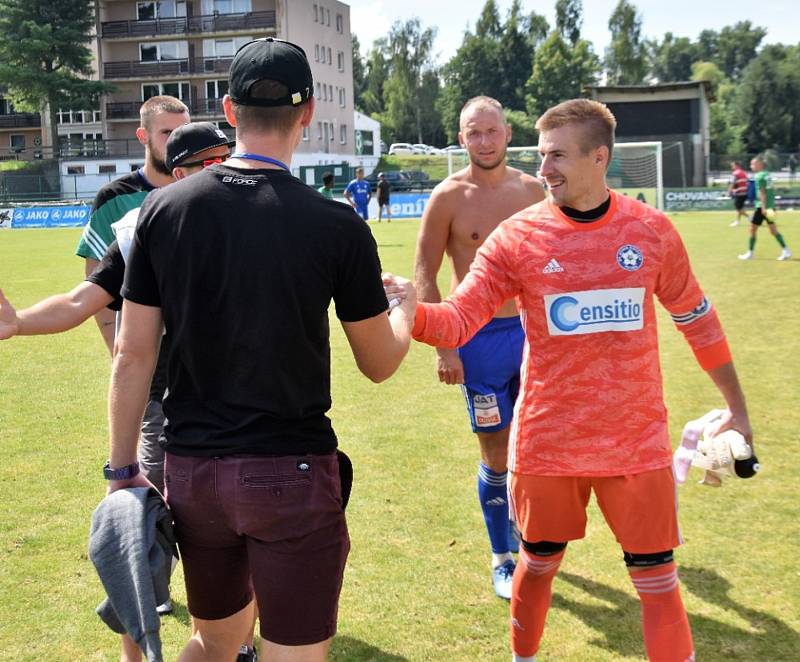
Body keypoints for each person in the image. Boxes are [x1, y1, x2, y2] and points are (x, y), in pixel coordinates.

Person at [404, 98, 752, 662]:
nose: (544, 170)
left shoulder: (651, 230)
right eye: (541, 157)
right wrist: (404, 311)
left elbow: (698, 319)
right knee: (537, 567)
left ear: (600, 157)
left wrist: (737, 408)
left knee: (658, 582)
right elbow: (460, 316)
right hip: (547, 443)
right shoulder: (517, 237)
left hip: (635, 443)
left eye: (558, 157)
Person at [104, 37, 416, 662]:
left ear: (228, 109)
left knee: (215, 641)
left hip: (193, 473)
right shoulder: (336, 224)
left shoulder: (163, 210)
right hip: (291, 472)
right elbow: (379, 363)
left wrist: (121, 470)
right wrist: (403, 309)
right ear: (307, 115)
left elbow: (133, 355)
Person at [0, 122, 237, 662]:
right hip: (165, 406)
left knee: (236, 541)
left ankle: (237, 644)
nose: (220, 172)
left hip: (246, 408)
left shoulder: (260, 214)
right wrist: (18, 324)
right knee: (140, 536)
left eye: (226, 157)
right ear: (178, 176)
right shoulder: (146, 227)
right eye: (207, 164)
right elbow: (83, 299)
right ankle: (136, 651)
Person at [414, 96, 545, 600]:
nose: (484, 141)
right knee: (495, 450)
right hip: (478, 339)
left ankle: (535, 541)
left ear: (507, 133)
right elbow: (425, 269)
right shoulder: (448, 197)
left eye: (492, 132)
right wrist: (444, 345)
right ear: (461, 136)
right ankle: (502, 558)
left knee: (535, 447)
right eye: (474, 133)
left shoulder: (533, 190)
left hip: (535, 335)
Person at [75, 95, 190, 354]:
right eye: (166, 132)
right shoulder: (114, 198)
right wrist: (115, 348)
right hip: (141, 346)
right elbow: (97, 280)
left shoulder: (205, 191)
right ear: (142, 136)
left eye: (182, 132)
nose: (176, 141)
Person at [738, 155, 792, 261]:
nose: (751, 166)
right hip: (770, 207)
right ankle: (786, 250)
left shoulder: (759, 176)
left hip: (762, 207)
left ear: (759, 164)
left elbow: (762, 192)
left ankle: (750, 253)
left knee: (752, 229)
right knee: (773, 230)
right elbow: (770, 191)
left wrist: (762, 207)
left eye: (752, 164)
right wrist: (771, 205)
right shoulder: (767, 174)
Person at [727, 160, 749, 227]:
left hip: (739, 193)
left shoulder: (735, 173)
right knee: (740, 208)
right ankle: (737, 221)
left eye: (733, 166)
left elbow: (732, 183)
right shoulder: (744, 173)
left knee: (738, 208)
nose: (732, 167)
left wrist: (729, 192)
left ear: (737, 165)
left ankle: (750, 217)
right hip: (745, 192)